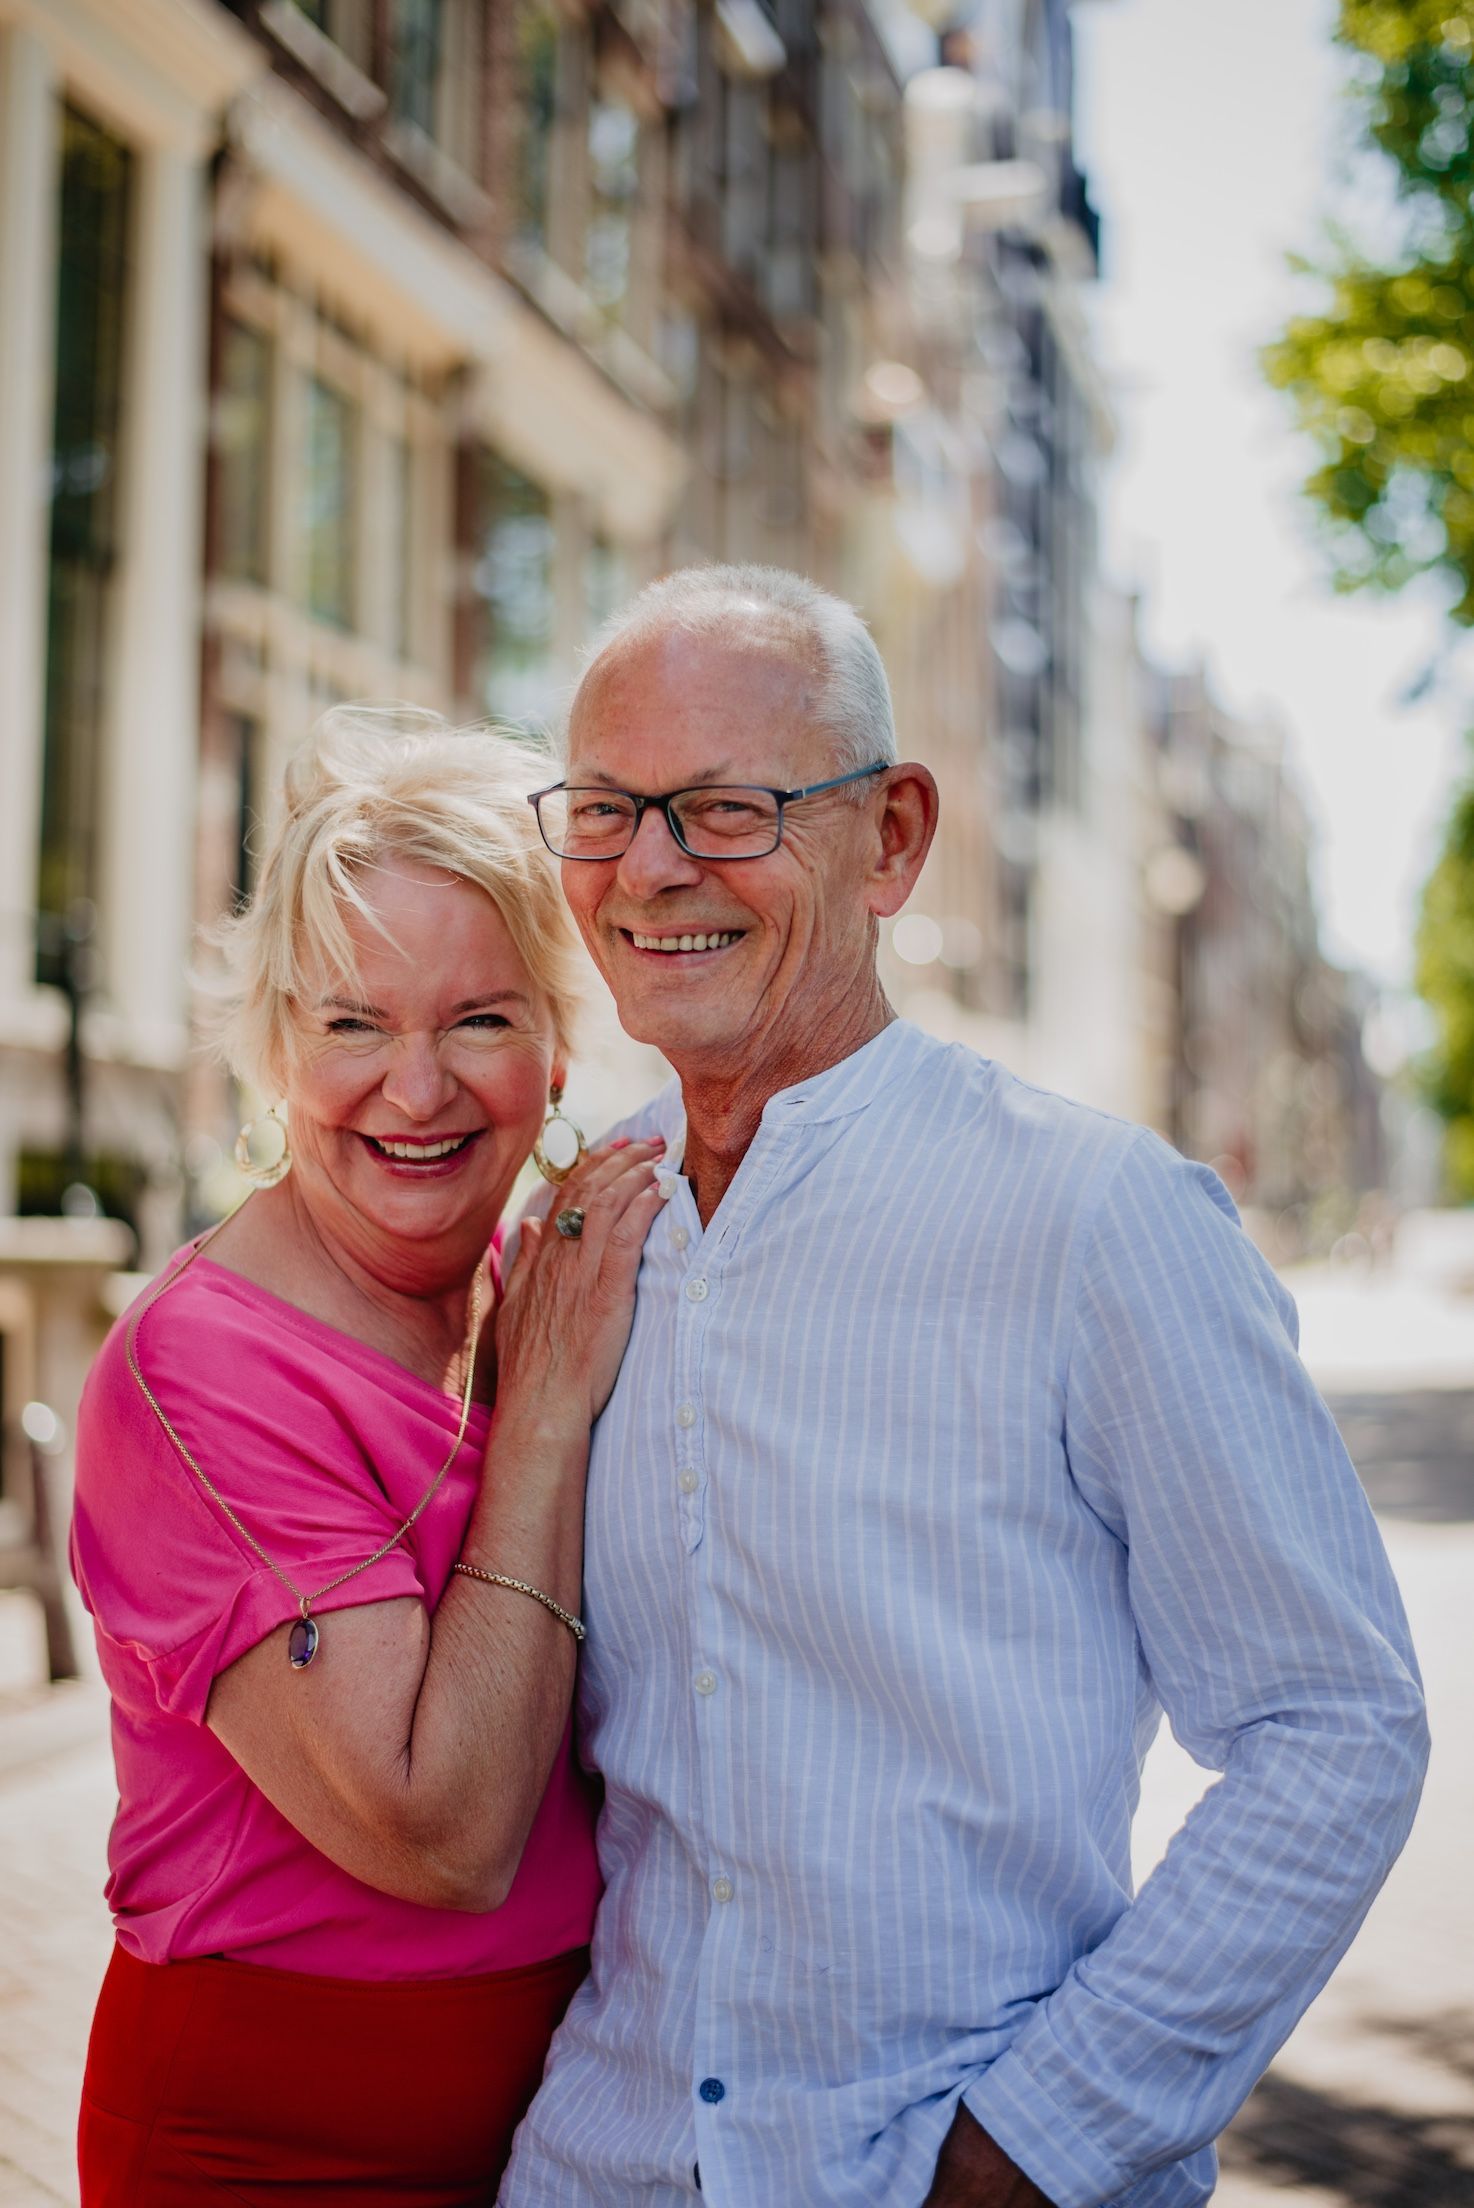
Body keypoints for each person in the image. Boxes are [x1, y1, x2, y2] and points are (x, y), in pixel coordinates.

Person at [501, 566, 1430, 2208]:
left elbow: (1331, 1730)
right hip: (602, 2167)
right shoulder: (578, 1229)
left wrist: (1025, 2151)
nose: (650, 868)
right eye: (604, 809)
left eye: (725, 809)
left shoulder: (1098, 1222)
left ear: (895, 837)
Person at [69, 708, 667, 2205]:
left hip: (574, 2128)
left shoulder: (545, 1283)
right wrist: (541, 1417)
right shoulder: (205, 1370)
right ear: (276, 1041)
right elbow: (441, 1829)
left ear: (551, 1034)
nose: (417, 1091)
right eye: (352, 1024)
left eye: (477, 1019)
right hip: (272, 2152)